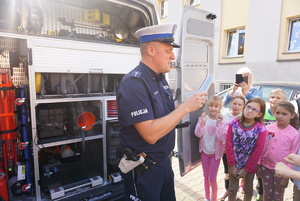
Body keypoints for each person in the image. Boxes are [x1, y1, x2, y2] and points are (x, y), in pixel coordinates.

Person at [117, 24, 207, 201]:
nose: (173, 56)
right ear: (151, 50)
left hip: (163, 165)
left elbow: (166, 116)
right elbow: (150, 134)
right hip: (144, 170)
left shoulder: (160, 79)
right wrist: (185, 107)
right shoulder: (134, 83)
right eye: (168, 51)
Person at [225, 97, 267, 201]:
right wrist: (231, 165)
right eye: (248, 107)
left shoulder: (261, 129)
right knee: (232, 189)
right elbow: (228, 144)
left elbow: (258, 151)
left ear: (259, 114)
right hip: (234, 163)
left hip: (250, 166)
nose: (249, 110)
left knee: (248, 189)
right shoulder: (234, 123)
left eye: (254, 110)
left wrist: (246, 169)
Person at [257, 101, 300, 201]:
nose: (280, 116)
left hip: (282, 171)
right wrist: (258, 164)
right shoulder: (267, 129)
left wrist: (286, 176)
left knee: (278, 196)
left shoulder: (294, 134)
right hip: (265, 167)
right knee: (267, 194)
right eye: (278, 113)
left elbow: (292, 156)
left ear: (292, 115)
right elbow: (260, 147)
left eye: (284, 114)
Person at [254, 88, 287, 201]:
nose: (274, 99)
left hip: (278, 156)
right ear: (268, 99)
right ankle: (260, 194)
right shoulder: (263, 113)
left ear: (284, 100)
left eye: (278, 98)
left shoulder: (284, 115)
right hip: (263, 152)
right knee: (261, 178)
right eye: (272, 97)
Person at [194, 96, 228, 201]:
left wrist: (218, 123)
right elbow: (198, 134)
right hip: (205, 152)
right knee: (205, 177)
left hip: (215, 154)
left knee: (212, 178)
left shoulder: (223, 121)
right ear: (208, 107)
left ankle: (213, 198)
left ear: (220, 108)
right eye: (211, 106)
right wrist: (203, 123)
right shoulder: (203, 119)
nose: (213, 108)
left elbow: (220, 137)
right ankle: (207, 197)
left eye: (216, 106)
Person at [218, 96, 246, 201]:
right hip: (227, 149)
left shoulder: (244, 117)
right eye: (234, 103)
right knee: (227, 171)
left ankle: (242, 184)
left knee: (241, 170)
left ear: (243, 106)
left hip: (241, 151)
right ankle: (227, 189)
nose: (236, 106)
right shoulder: (225, 116)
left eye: (239, 104)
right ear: (231, 104)